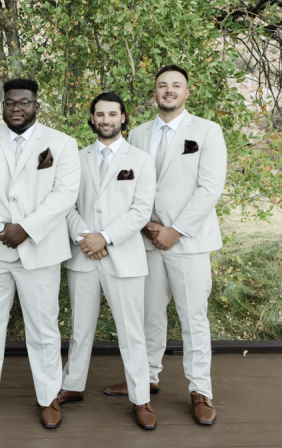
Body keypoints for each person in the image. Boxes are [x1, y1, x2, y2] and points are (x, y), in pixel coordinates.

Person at [103, 65, 227, 426]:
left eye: (176, 85)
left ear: (188, 92)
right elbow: (129, 189)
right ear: (154, 92)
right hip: (146, 240)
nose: (169, 90)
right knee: (148, 315)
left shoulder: (207, 131)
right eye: (162, 85)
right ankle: (147, 379)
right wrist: (146, 226)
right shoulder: (138, 134)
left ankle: (200, 389)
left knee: (193, 319)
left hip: (188, 241)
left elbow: (209, 189)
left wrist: (176, 230)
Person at [0, 78, 80, 428]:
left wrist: (25, 228)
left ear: (36, 105)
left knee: (43, 328)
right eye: (10, 102)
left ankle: (49, 396)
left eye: (23, 102)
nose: (16, 108)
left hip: (40, 250)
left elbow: (65, 193)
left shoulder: (62, 144)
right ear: (2, 105)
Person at [60, 92, 157, 429]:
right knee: (79, 329)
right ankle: (72, 385)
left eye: (112, 114)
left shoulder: (141, 161)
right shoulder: (75, 157)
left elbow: (141, 210)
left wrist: (107, 237)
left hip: (124, 257)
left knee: (132, 332)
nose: (105, 120)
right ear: (91, 119)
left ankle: (140, 398)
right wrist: (84, 236)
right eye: (99, 114)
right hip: (83, 254)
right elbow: (66, 205)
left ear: (123, 117)